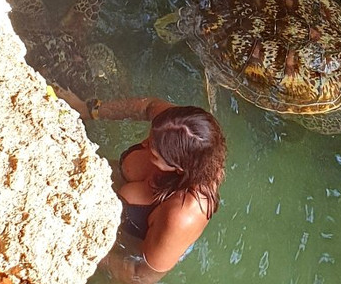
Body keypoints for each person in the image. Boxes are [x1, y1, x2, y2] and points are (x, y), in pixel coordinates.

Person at [71, 96, 226, 283]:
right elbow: (148, 106)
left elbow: (141, 275)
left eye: (153, 150)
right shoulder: (179, 127)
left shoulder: (184, 213)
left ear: (178, 167)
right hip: (106, 185)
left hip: (134, 235)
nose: (144, 144)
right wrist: (89, 110)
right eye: (151, 137)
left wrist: (80, 247)